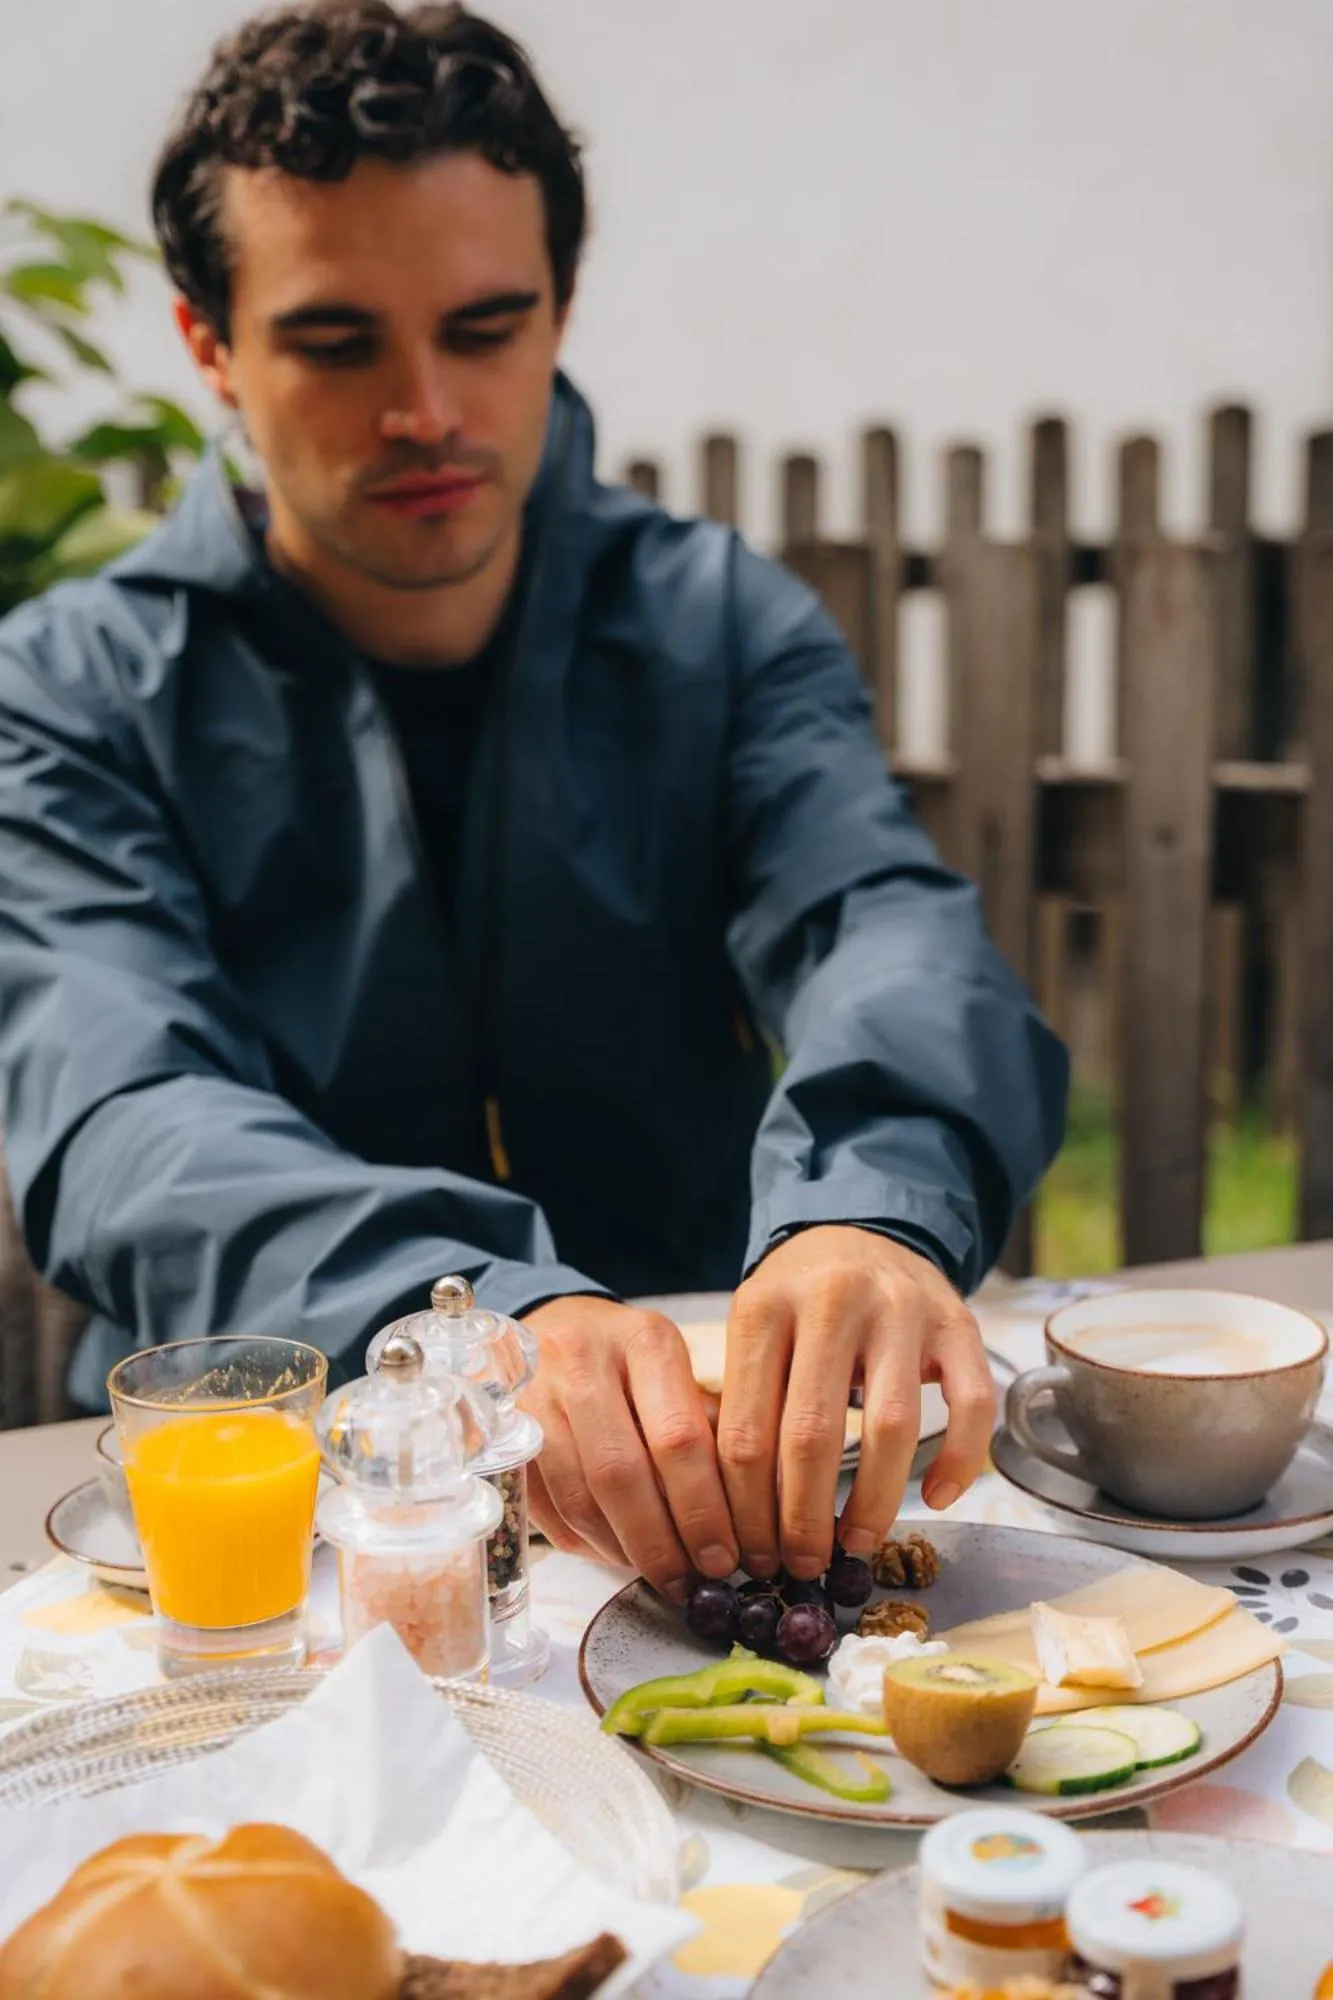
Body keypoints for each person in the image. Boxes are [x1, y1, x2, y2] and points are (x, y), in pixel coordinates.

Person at [0, 1, 1066, 1602]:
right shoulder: (70, 686)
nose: (424, 406)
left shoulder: (718, 620)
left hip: (707, 1488)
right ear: (208, 344)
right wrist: (473, 1310)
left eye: (485, 328)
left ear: (561, 309)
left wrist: (872, 1215)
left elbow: (878, 925)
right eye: (337, 341)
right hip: (256, 1521)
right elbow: (123, 1112)